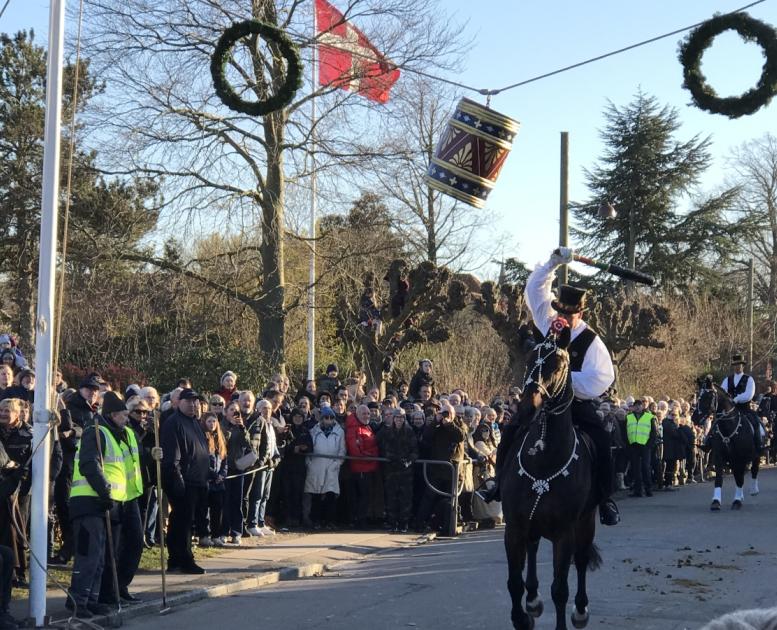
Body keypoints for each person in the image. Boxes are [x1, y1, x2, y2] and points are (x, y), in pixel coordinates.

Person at [480, 247, 620, 526]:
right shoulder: (546, 321)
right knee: (511, 429)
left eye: (570, 315)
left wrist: (565, 383)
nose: (564, 319)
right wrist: (553, 263)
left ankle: (605, 499)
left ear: (579, 314)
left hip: (572, 401)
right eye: (562, 312)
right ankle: (497, 483)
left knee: (601, 440)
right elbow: (534, 288)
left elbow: (603, 377)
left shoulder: (591, 341)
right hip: (538, 396)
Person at [67, 392, 143, 617]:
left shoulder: (115, 433)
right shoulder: (96, 432)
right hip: (89, 501)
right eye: (123, 415)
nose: (126, 419)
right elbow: (89, 464)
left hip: (105, 503)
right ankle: (77, 600)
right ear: (112, 414)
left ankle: (92, 598)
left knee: (100, 556)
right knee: (89, 554)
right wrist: (105, 490)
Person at [160, 388, 210, 574]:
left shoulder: (195, 422)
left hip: (198, 480)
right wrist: (177, 478)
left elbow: (201, 449)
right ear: (178, 402)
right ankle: (183, 559)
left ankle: (177, 559)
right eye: (189, 401)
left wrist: (209, 472)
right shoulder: (173, 423)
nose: (193, 404)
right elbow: (172, 455)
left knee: (185, 521)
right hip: (183, 480)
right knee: (182, 521)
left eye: (195, 401)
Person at [304, 407, 346, 529]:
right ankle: (316, 521)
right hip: (316, 465)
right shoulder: (314, 431)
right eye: (326, 417)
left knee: (330, 495)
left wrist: (337, 464)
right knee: (316, 495)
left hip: (332, 465)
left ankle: (330, 521)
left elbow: (342, 450)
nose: (328, 420)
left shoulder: (339, 432)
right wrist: (309, 464)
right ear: (322, 418)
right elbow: (309, 448)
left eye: (331, 417)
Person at [377, 408, 418, 532]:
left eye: (401, 417)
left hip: (406, 471)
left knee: (405, 499)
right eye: (397, 417)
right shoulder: (387, 432)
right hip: (391, 470)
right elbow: (383, 448)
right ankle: (392, 522)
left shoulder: (409, 432)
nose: (399, 420)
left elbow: (415, 451)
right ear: (393, 419)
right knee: (391, 498)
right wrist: (393, 458)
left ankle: (403, 523)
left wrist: (408, 461)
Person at [245, 399, 279, 537]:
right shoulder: (256, 423)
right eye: (264, 408)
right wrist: (262, 460)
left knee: (265, 495)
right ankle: (253, 522)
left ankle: (260, 521)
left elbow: (273, 446)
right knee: (256, 495)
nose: (267, 411)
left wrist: (276, 459)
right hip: (260, 465)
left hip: (270, 465)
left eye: (269, 408)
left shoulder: (271, 425)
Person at [345, 405, 380, 529]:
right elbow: (356, 451)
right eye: (364, 414)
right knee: (363, 495)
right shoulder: (354, 429)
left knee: (366, 495)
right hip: (361, 468)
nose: (367, 416)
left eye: (368, 414)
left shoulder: (366, 427)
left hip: (369, 467)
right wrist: (373, 454)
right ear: (358, 414)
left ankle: (362, 518)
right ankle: (359, 520)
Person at [721, 354, 763, 451]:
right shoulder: (727, 380)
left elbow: (749, 394)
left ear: (743, 366)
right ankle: (710, 445)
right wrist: (727, 401)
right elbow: (722, 392)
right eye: (735, 365)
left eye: (739, 365)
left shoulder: (749, 379)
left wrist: (736, 399)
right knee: (717, 424)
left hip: (744, 409)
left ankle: (759, 446)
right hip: (729, 411)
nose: (737, 367)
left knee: (756, 423)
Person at [626, 398, 657, 497]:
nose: (638, 407)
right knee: (635, 469)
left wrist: (649, 445)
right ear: (634, 407)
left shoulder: (649, 417)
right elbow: (625, 432)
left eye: (640, 405)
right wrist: (628, 444)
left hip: (645, 446)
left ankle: (648, 489)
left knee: (645, 468)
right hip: (633, 445)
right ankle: (638, 490)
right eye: (636, 405)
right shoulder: (629, 417)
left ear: (642, 406)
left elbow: (653, 433)